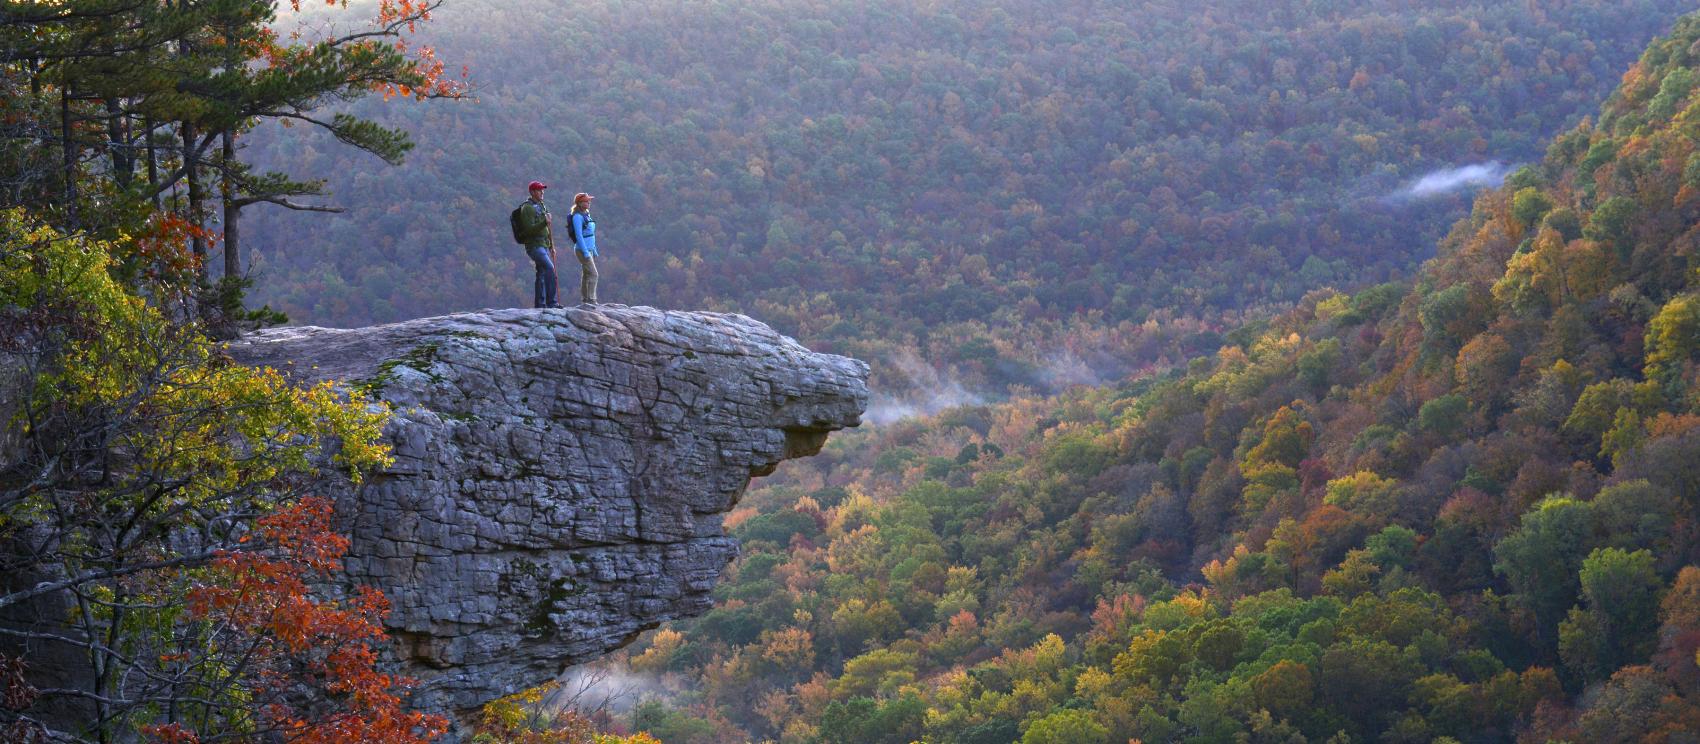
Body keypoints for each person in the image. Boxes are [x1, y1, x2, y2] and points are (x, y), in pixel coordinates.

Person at [518, 180, 562, 308]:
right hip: (534, 246)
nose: (542, 192)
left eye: (542, 190)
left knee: (541, 273)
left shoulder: (542, 205)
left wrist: (551, 246)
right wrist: (544, 222)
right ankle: (552, 303)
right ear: (532, 192)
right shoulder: (527, 208)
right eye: (539, 190)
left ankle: (540, 304)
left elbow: (548, 229)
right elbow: (528, 229)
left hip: (544, 245)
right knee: (549, 268)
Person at [568, 192, 599, 305]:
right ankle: (591, 299)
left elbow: (591, 233)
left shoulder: (586, 214)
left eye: (589, 200)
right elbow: (579, 236)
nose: (589, 202)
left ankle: (586, 299)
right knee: (594, 274)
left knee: (587, 274)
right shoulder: (577, 216)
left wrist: (594, 249)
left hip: (589, 249)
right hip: (582, 250)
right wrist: (585, 252)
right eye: (586, 201)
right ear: (580, 203)